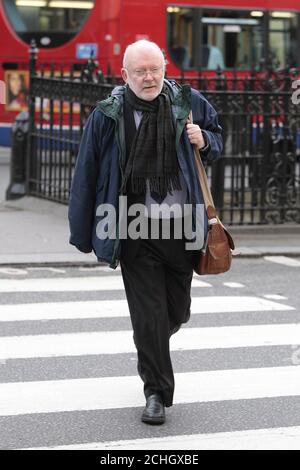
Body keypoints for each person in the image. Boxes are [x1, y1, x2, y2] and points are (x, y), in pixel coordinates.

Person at [68, 40, 222, 425]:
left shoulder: (189, 103)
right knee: (149, 315)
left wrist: (205, 140)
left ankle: (151, 341)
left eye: (155, 69)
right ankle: (156, 392)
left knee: (177, 311)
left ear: (165, 68)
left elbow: (219, 137)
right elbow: (86, 172)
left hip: (182, 226)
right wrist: (82, 232)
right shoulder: (109, 114)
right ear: (125, 75)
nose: (149, 77)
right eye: (140, 72)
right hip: (133, 227)